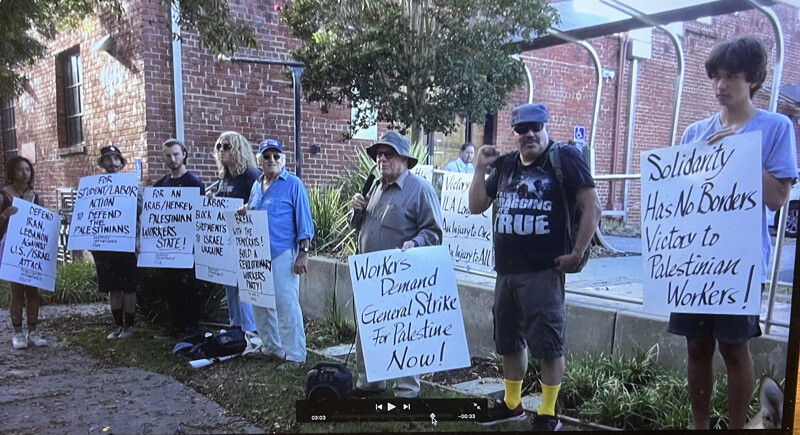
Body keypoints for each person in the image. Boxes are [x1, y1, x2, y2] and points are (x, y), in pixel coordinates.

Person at [666, 36, 797, 430]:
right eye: (717, 77)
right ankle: (700, 424)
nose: (722, 85)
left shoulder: (776, 127)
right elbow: (676, 195)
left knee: (735, 348)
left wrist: (738, 154)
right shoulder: (694, 132)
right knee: (696, 345)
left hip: (739, 260)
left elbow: (776, 197)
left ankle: (738, 427)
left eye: (733, 76)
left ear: (753, 79)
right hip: (695, 256)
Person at [468, 103, 601, 430]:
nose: (529, 134)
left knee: (548, 344)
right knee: (509, 341)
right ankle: (512, 404)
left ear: (545, 127)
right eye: (521, 129)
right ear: (514, 133)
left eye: (535, 127)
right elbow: (475, 206)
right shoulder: (506, 165)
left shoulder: (564, 158)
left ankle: (548, 412)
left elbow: (592, 205)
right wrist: (479, 169)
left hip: (544, 270)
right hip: (506, 272)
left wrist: (577, 252)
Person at [349, 130, 443, 398]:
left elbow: (434, 232)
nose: (381, 159)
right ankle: (369, 382)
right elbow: (357, 227)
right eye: (379, 154)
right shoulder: (375, 187)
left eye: (388, 154)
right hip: (369, 274)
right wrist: (356, 210)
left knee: (403, 331)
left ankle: (406, 389)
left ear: (404, 159)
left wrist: (416, 244)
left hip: (401, 277)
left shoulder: (420, 191)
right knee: (367, 327)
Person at [238, 138, 314, 370]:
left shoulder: (293, 184)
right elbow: (254, 213)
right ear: (260, 161)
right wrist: (244, 212)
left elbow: (304, 222)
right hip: (258, 254)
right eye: (266, 156)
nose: (271, 160)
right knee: (260, 304)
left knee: (286, 305)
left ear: (283, 159)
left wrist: (303, 253)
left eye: (276, 156)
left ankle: (295, 355)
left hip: (283, 253)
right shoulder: (256, 186)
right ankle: (271, 347)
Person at [152, 138, 206, 339]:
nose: (172, 159)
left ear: (184, 154)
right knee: (171, 287)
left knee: (190, 287)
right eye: (168, 155)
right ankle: (175, 325)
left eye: (176, 154)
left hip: (188, 246)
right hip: (168, 246)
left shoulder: (194, 183)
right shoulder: (160, 185)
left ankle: (191, 328)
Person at [209, 131, 259, 333]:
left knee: (243, 286)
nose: (222, 150)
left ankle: (249, 328)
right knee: (229, 283)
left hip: (245, 240)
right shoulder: (225, 178)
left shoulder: (250, 175)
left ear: (238, 149)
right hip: (227, 240)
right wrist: (213, 199)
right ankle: (234, 325)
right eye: (219, 146)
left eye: (227, 146)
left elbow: (258, 203)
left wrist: (248, 207)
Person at [92, 145, 141, 339]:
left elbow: (140, 211)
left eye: (115, 159)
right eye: (107, 159)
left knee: (129, 286)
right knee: (112, 287)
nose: (112, 163)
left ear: (121, 163)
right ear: (102, 163)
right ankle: (117, 325)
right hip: (105, 245)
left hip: (126, 242)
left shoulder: (132, 184)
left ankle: (129, 325)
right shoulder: (94, 187)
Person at [1, 156, 48, 349]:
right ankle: (18, 333)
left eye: (28, 169)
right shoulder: (4, 195)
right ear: (12, 173)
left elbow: (43, 224)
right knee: (17, 292)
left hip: (32, 250)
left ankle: (33, 331)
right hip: (12, 249)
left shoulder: (36, 196)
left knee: (33, 292)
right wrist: (4, 214)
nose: (25, 173)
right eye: (20, 170)